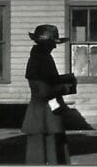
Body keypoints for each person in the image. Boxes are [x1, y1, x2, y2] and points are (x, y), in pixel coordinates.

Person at [22, 24, 72, 165]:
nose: (54, 47)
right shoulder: (40, 61)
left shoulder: (41, 59)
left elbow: (48, 82)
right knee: (47, 157)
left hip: (45, 115)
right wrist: (64, 88)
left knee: (48, 155)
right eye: (52, 43)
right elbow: (44, 92)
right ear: (44, 44)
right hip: (43, 116)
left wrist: (63, 80)